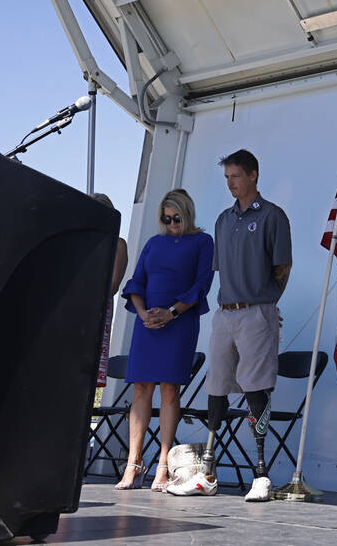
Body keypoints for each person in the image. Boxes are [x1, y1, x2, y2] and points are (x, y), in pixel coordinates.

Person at [169, 149, 292, 501]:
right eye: (227, 178)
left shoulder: (272, 216)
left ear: (253, 175)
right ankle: (207, 471)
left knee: (256, 385)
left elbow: (282, 268)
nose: (231, 184)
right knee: (217, 385)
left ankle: (261, 474)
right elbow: (222, 269)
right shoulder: (224, 220)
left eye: (236, 176)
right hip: (225, 312)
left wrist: (268, 305)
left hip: (257, 311)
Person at [114, 189, 214, 491]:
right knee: (141, 389)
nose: (171, 223)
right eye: (165, 218)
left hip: (178, 322)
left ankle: (163, 464)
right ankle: (133, 463)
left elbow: (202, 284)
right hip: (147, 323)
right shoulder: (153, 243)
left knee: (170, 390)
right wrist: (143, 312)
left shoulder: (202, 241)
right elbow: (136, 282)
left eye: (176, 217)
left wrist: (171, 313)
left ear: (187, 214)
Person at [93, 192, 129, 389]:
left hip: (97, 307)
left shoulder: (118, 244)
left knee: (90, 369)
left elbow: (113, 285)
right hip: (74, 308)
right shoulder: (83, 243)